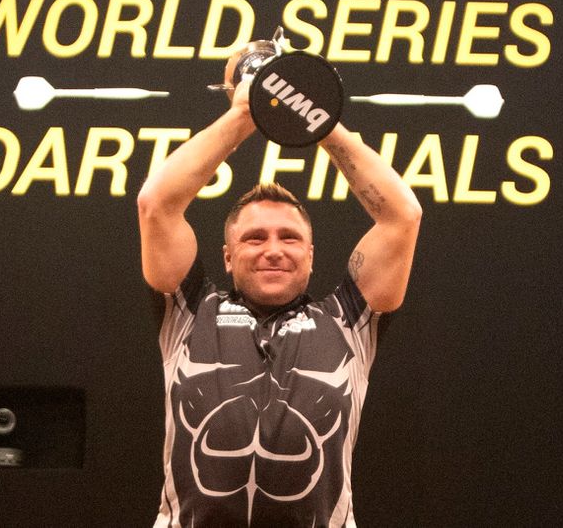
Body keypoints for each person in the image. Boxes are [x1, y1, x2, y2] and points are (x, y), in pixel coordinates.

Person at [137, 78, 421, 527]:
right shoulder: (189, 313)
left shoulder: (348, 321)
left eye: (289, 238)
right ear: (227, 256)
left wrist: (319, 121)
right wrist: (244, 112)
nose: (273, 249)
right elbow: (156, 203)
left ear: (310, 256)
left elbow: (402, 216)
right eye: (255, 238)